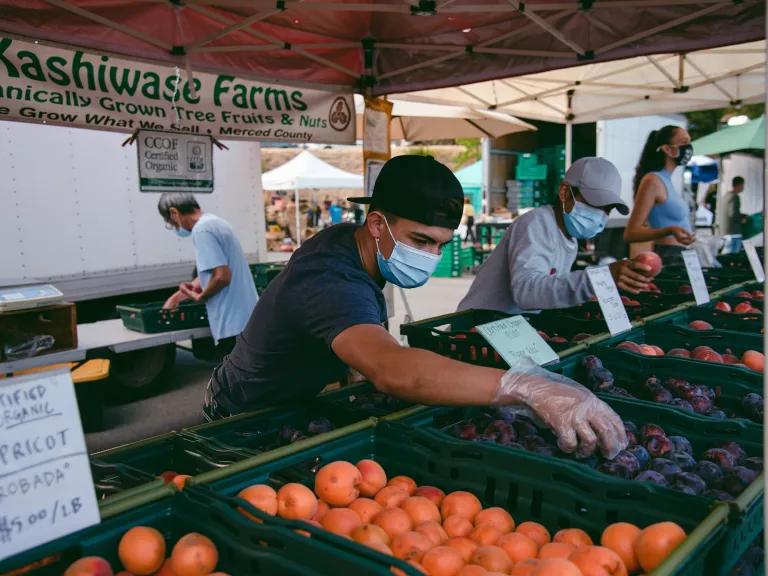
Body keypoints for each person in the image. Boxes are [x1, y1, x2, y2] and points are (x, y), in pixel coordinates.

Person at [202, 155, 626, 460]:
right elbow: (394, 369)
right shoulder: (330, 278)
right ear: (376, 224)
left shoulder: (353, 245)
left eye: (441, 245)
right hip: (244, 418)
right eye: (421, 241)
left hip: (298, 401)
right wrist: (527, 387)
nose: (430, 256)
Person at [458, 157, 653, 314]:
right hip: (477, 329)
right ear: (565, 192)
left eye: (607, 209)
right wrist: (599, 278)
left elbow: (548, 291)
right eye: (595, 203)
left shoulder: (569, 238)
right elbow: (526, 293)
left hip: (512, 329)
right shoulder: (537, 223)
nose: (601, 215)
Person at [159, 193, 258, 360]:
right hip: (248, 318)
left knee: (235, 381)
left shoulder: (201, 230)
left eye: (171, 223)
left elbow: (222, 276)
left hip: (231, 324)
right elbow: (214, 272)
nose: (175, 227)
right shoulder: (217, 222)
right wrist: (177, 297)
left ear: (174, 213)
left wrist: (201, 296)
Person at [624, 125, 696, 265]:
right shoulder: (652, 181)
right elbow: (630, 233)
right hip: (669, 257)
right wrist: (669, 230)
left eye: (689, 142)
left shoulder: (666, 181)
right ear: (667, 149)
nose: (689, 147)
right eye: (684, 142)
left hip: (681, 255)